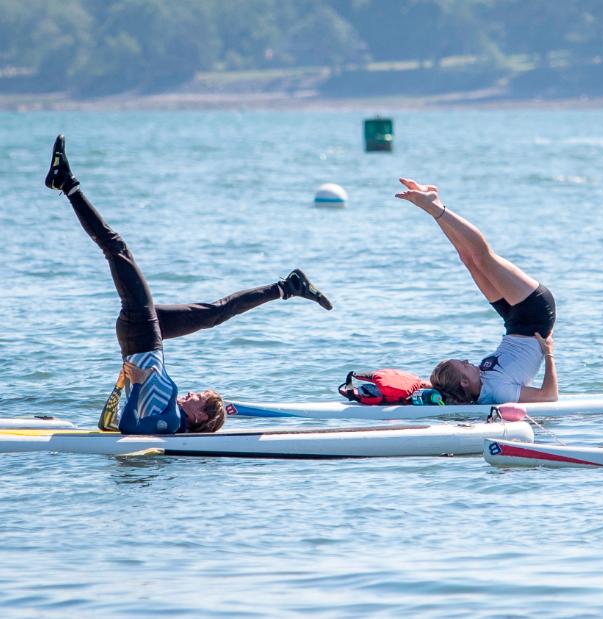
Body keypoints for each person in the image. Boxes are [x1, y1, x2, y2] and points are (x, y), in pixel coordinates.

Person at [44, 135, 332, 435]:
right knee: (215, 313)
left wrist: (135, 382)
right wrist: (125, 383)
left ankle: (66, 182)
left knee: (116, 248)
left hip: (141, 332)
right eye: (198, 394)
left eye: (199, 399)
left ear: (199, 418)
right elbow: (107, 425)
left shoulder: (169, 419)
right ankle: (287, 287)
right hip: (143, 337)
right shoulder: (167, 411)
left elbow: (125, 429)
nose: (192, 394)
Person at [394, 178, 557, 405]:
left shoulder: (478, 383)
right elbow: (549, 397)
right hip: (535, 315)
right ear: (463, 383)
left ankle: (433, 205)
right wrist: (549, 353)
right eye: (462, 365)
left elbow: (440, 391)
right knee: (483, 257)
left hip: (512, 321)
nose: (467, 360)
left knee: (469, 259)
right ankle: (433, 207)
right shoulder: (500, 393)